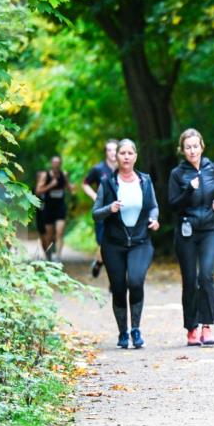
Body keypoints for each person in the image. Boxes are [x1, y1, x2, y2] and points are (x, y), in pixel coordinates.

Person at [92, 139, 160, 349]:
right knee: (119, 288)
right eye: (123, 153)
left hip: (140, 241)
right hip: (113, 244)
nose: (126, 156)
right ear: (117, 157)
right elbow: (95, 214)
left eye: (130, 153)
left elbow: (154, 207)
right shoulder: (107, 183)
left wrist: (154, 219)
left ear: (135, 156)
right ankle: (123, 333)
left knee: (136, 281)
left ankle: (136, 330)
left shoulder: (145, 181)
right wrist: (109, 208)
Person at [168, 128, 214, 347]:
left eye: (196, 146)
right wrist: (187, 190)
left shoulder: (213, 169)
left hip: (210, 231)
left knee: (206, 276)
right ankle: (191, 329)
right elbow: (173, 205)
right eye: (188, 147)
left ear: (202, 146)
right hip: (187, 232)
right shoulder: (177, 174)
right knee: (190, 281)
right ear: (182, 150)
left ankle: (207, 326)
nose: (192, 151)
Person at [81, 139, 119, 277]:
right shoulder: (98, 169)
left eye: (115, 149)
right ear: (105, 152)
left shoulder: (124, 168)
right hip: (103, 211)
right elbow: (85, 184)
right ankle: (99, 262)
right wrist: (95, 196)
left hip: (119, 212)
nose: (112, 153)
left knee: (117, 245)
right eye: (109, 150)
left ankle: (115, 279)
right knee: (103, 244)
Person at [34, 155, 72, 261]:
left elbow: (69, 188)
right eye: (54, 163)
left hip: (60, 207)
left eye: (58, 163)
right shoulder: (45, 176)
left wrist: (71, 187)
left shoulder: (63, 175)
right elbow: (38, 191)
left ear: (60, 164)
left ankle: (58, 257)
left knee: (60, 233)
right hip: (48, 208)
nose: (56, 165)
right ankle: (49, 256)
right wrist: (51, 185)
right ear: (51, 164)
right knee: (49, 236)